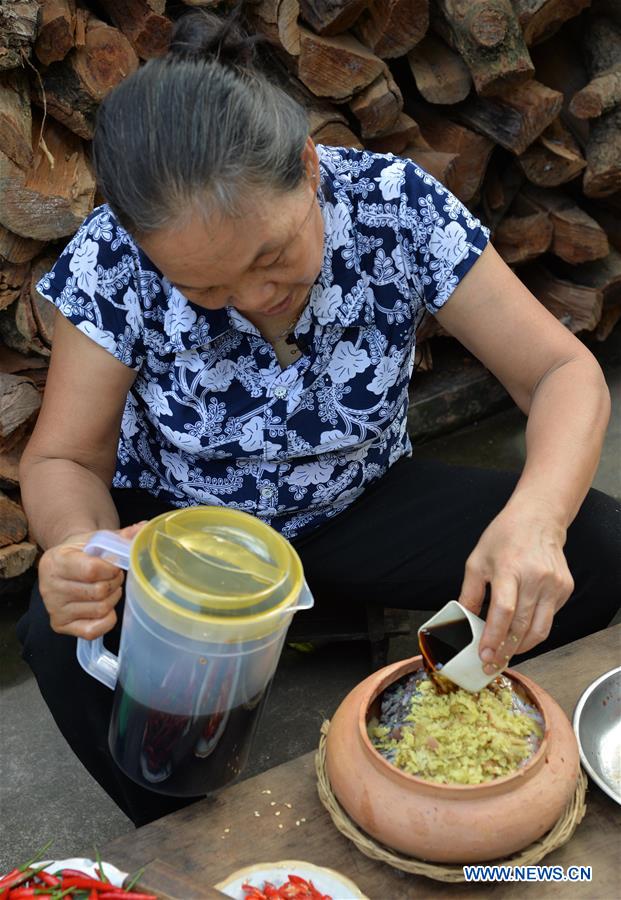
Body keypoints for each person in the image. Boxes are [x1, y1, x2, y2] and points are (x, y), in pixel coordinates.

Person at [17, 8, 620, 827]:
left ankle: (437, 714)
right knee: (64, 638)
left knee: (593, 546)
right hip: (189, 538)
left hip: (354, 502)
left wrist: (535, 522)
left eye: (270, 258)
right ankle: (188, 833)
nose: (252, 298)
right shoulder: (113, 257)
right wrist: (81, 549)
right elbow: (63, 461)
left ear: (307, 167)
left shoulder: (392, 205)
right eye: (203, 289)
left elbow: (559, 372)